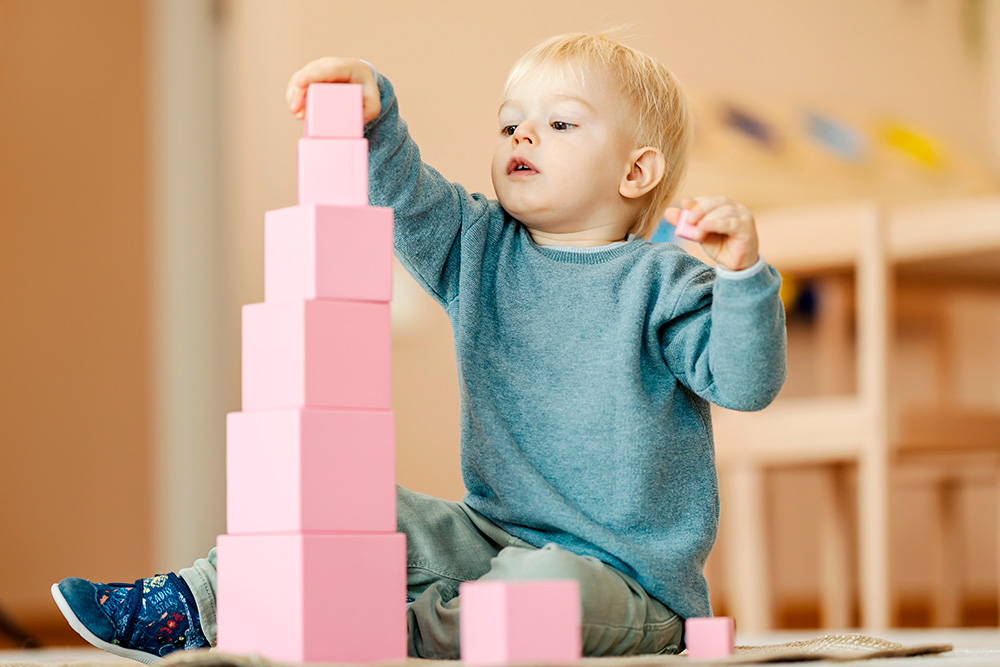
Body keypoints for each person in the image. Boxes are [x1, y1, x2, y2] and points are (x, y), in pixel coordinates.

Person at [52, 32, 786, 662]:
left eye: (559, 124)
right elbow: (407, 196)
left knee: (539, 589)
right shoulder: (479, 245)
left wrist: (744, 279)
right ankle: (195, 603)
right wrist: (376, 112)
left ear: (636, 172)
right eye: (509, 125)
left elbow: (746, 383)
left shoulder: (665, 279)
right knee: (347, 500)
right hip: (488, 534)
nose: (522, 136)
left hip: (628, 581)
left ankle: (391, 630)